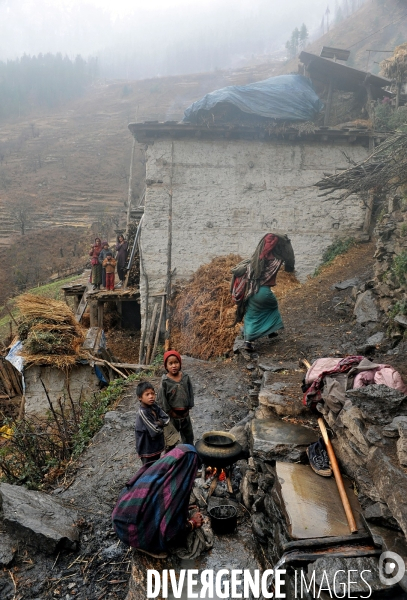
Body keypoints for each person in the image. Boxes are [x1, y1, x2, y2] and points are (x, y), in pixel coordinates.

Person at [112, 444, 203, 558]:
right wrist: (192, 523)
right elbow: (172, 532)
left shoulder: (157, 470)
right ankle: (147, 546)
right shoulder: (173, 490)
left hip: (120, 518)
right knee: (170, 543)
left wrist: (183, 507)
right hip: (130, 533)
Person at [231, 233, 295, 351]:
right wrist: (286, 243)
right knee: (272, 308)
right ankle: (270, 331)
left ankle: (248, 342)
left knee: (251, 316)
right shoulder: (277, 261)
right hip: (264, 292)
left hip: (252, 292)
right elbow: (289, 257)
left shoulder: (254, 263)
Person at [158, 350, 195, 449]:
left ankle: (190, 457)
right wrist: (169, 412)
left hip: (185, 415)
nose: (174, 365)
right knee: (171, 442)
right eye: (170, 363)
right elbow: (162, 399)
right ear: (166, 366)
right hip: (172, 417)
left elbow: (190, 391)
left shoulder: (185, 377)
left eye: (176, 362)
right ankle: (171, 461)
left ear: (180, 363)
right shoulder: (165, 381)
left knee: (188, 438)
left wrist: (189, 406)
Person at [135, 381, 169, 465]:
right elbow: (155, 431)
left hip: (156, 446)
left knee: (156, 466)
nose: (151, 397)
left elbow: (167, 419)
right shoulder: (142, 412)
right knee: (148, 470)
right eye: (147, 394)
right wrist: (161, 423)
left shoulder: (154, 406)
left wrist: (158, 423)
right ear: (140, 397)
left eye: (153, 394)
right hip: (147, 449)